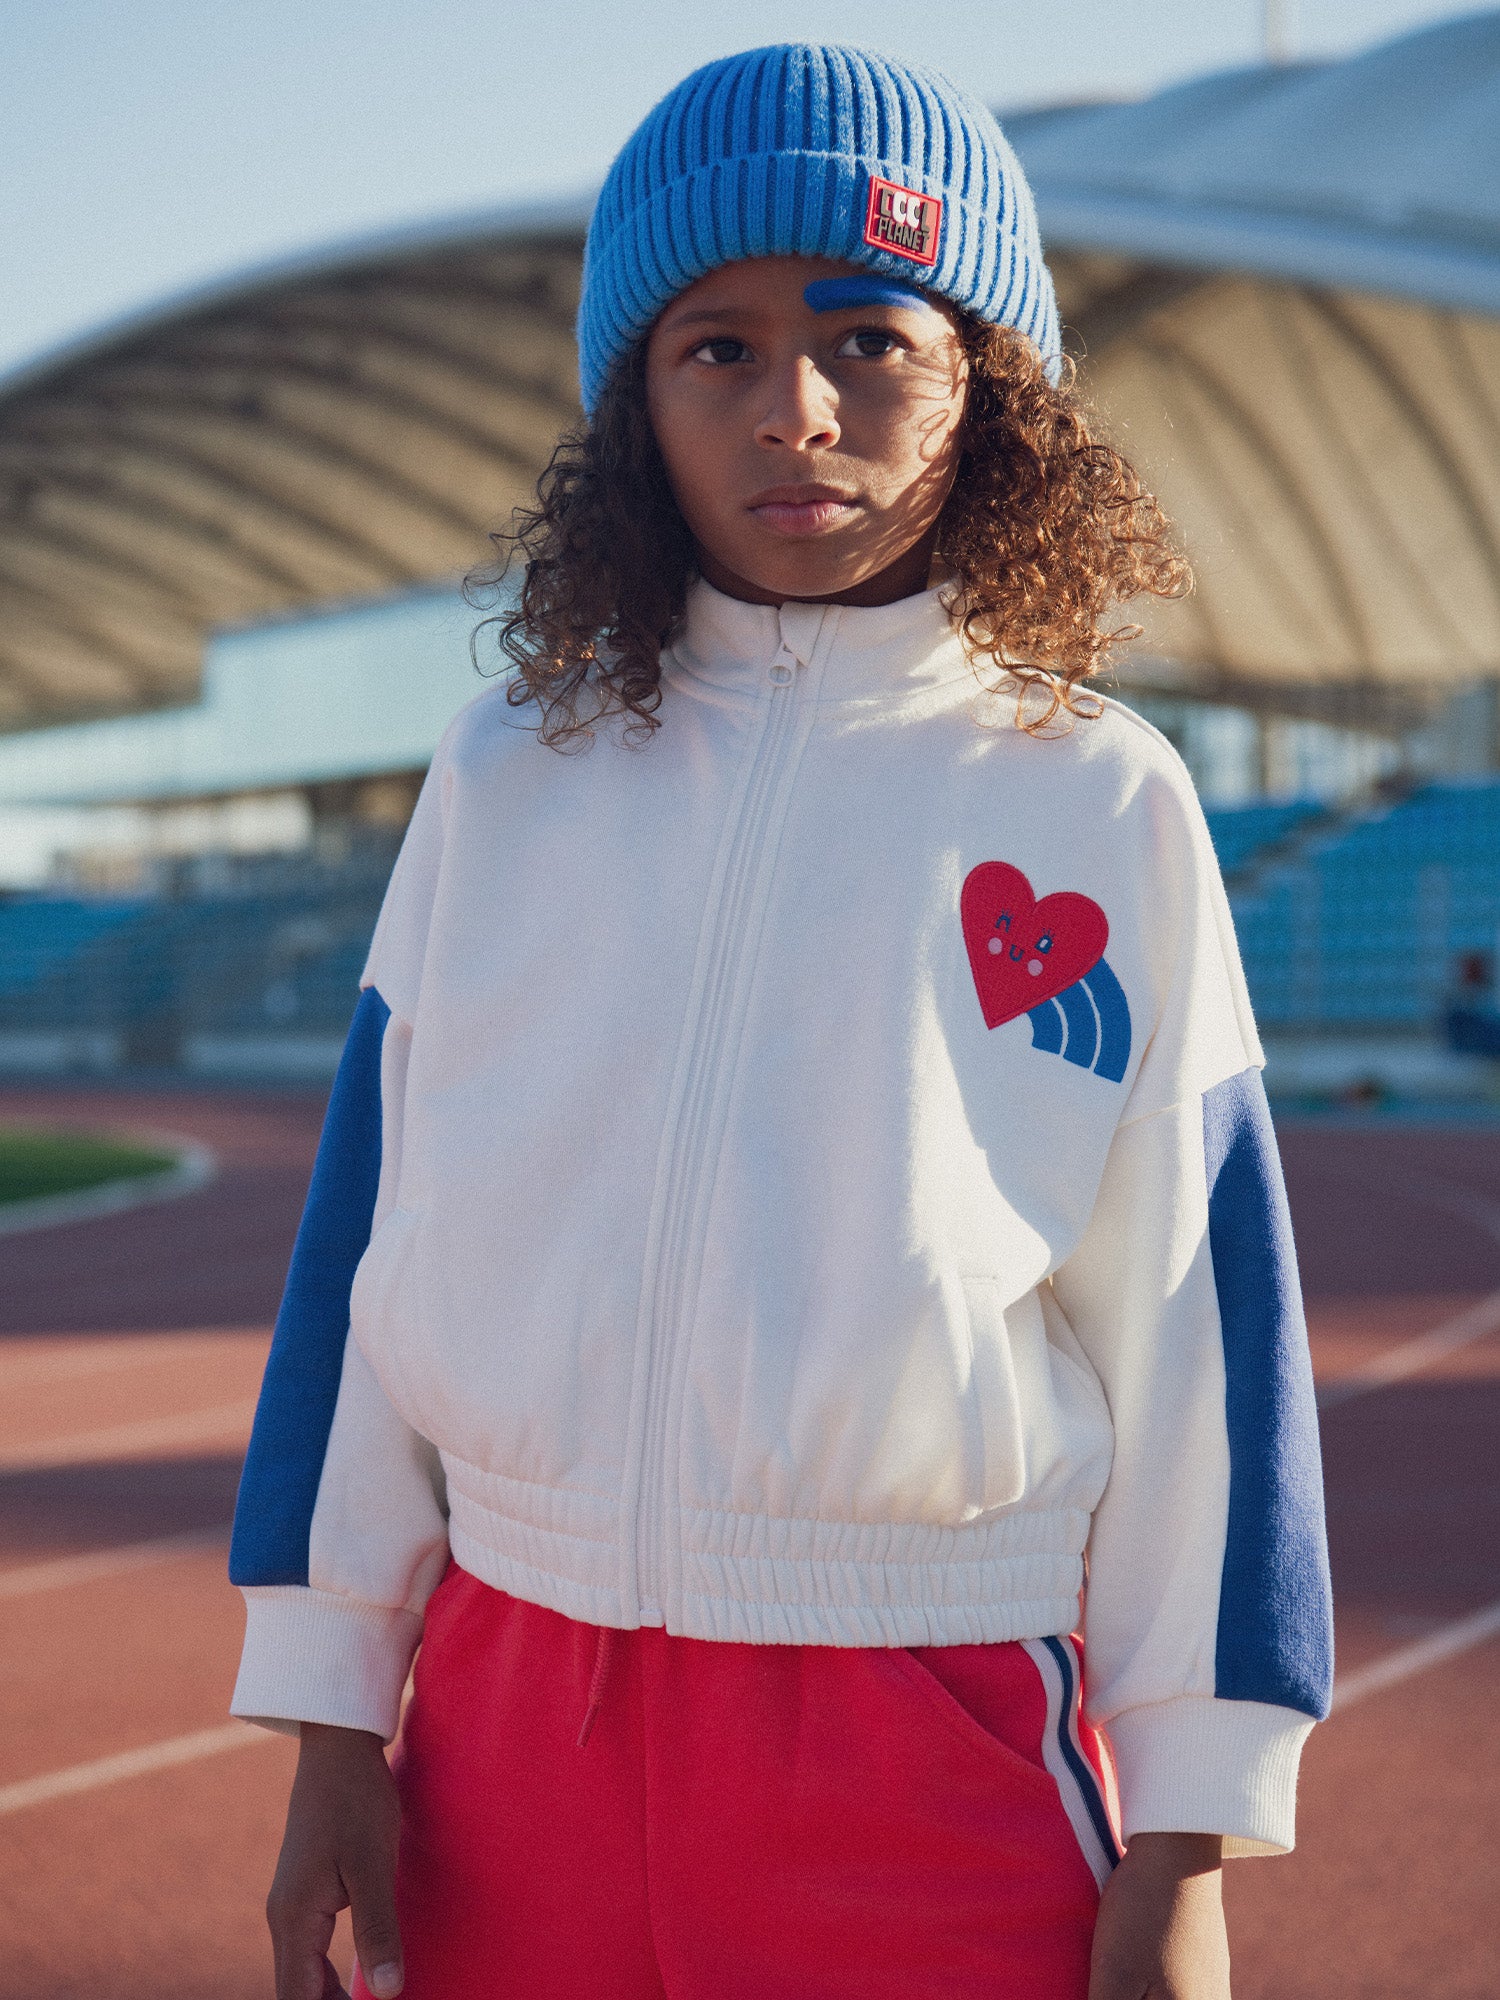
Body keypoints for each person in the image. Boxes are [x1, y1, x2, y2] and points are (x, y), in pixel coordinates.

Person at [228, 43, 1333, 2000]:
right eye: (712, 348)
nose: (796, 408)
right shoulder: (513, 772)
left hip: (929, 1737)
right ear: (630, 408)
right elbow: (373, 1251)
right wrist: (331, 1707)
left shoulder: (1100, 796)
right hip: (504, 1726)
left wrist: (1194, 1829)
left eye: (868, 336)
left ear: (989, 388)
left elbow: (1196, 1328)